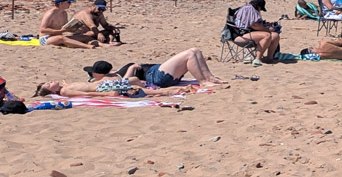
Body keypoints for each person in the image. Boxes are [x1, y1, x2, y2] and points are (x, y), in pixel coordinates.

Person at [84, 49, 225, 87]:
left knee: (195, 52)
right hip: (156, 76)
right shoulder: (115, 78)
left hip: (157, 73)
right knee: (190, 53)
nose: (91, 75)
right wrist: (132, 68)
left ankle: (209, 77)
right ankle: (203, 81)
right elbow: (125, 82)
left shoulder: (112, 75)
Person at [33, 76, 194, 99]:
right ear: (53, 91)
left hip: (103, 85)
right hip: (103, 88)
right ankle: (171, 91)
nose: (51, 81)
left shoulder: (64, 86)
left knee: (137, 83)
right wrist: (106, 94)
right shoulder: (65, 91)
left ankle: (169, 90)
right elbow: (84, 94)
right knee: (138, 84)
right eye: (49, 84)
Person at [37, 0, 103, 49]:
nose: (70, 4)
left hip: (58, 37)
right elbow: (43, 29)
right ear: (61, 3)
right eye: (68, 2)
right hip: (45, 39)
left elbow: (65, 27)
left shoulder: (64, 13)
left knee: (84, 37)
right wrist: (59, 31)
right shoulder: (50, 13)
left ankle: (102, 44)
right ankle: (87, 46)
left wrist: (74, 28)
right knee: (61, 38)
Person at [232, 0, 281, 64]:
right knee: (267, 35)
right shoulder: (250, 10)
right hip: (241, 35)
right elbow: (254, 25)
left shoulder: (249, 8)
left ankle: (269, 58)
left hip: (248, 33)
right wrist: (268, 29)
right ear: (259, 7)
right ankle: (258, 59)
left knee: (275, 36)